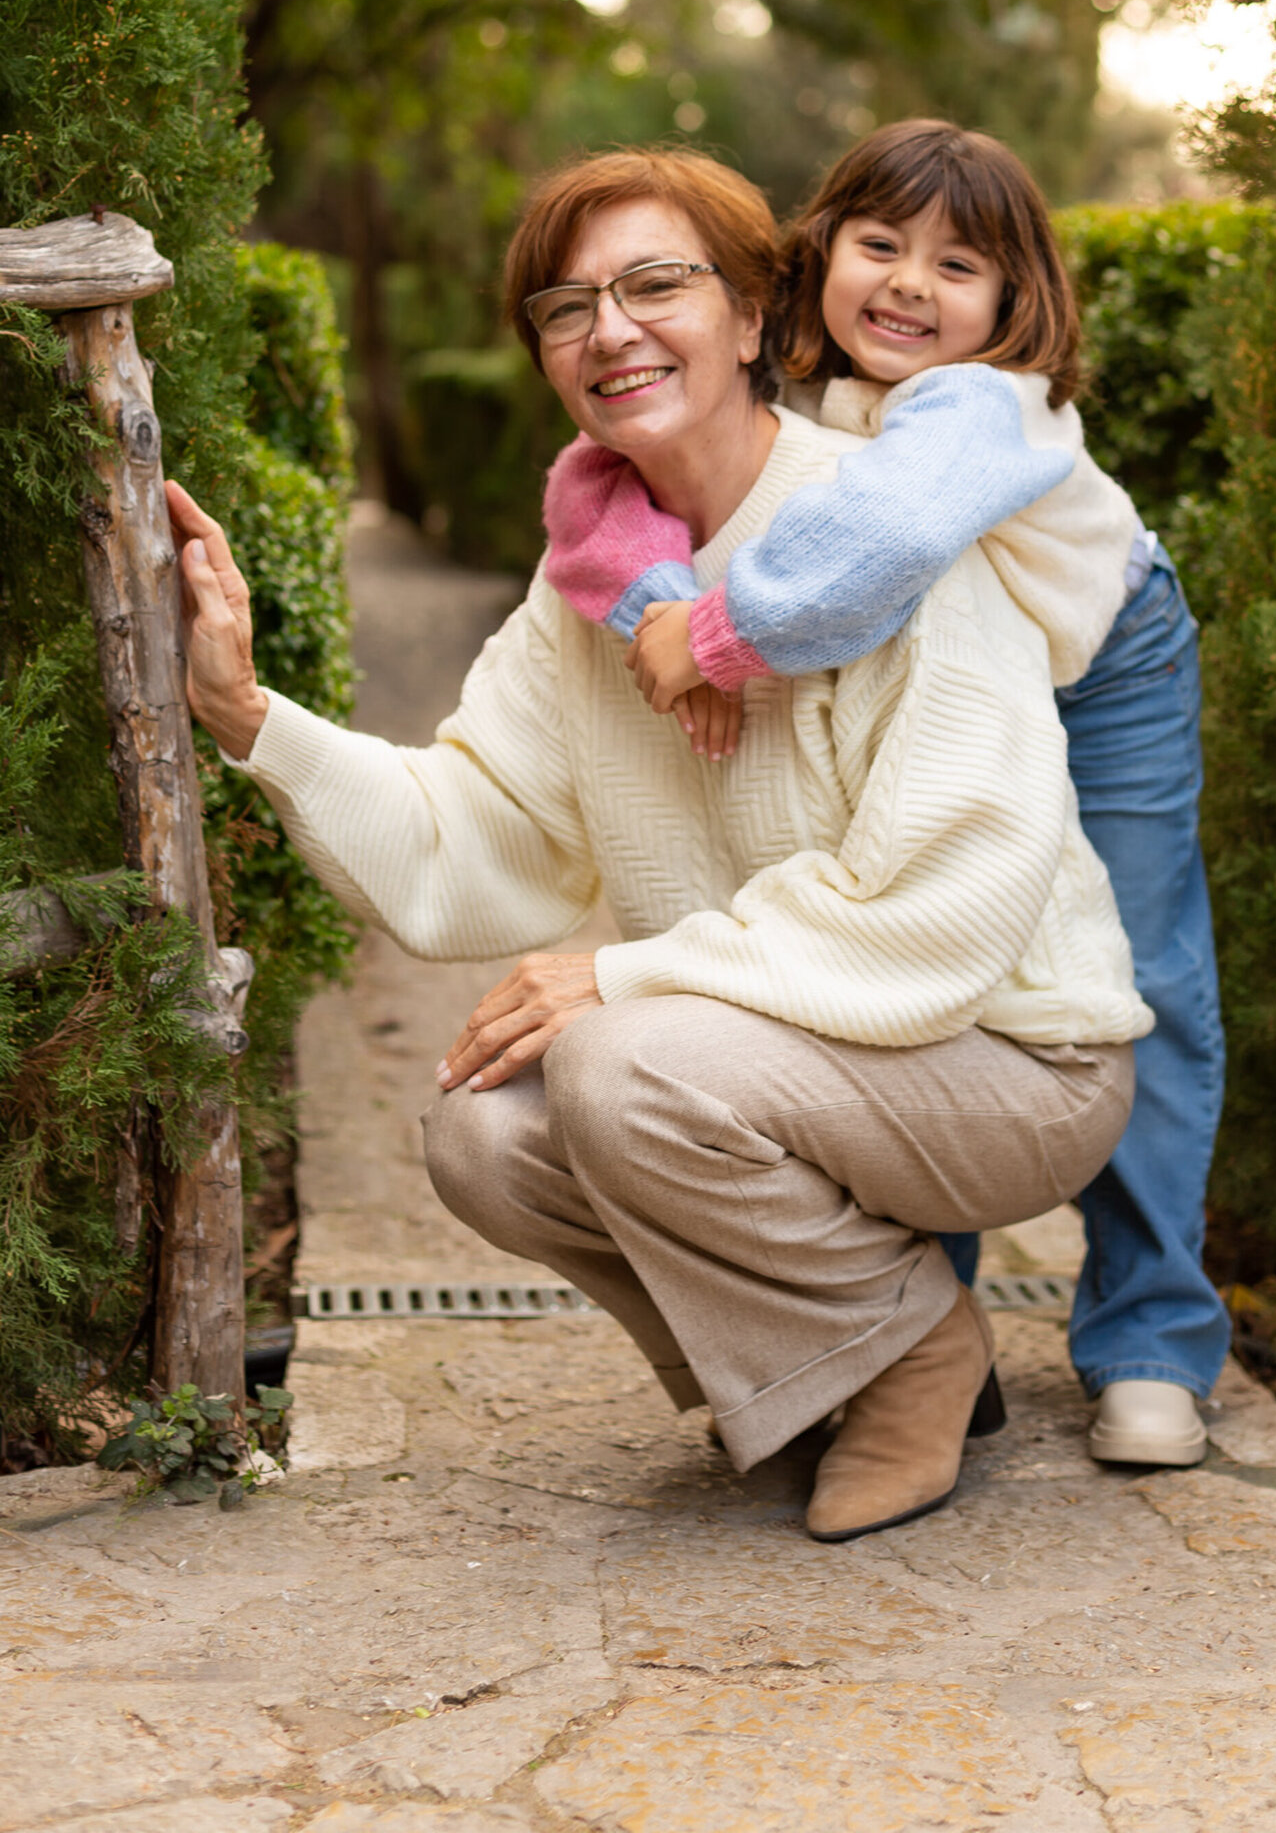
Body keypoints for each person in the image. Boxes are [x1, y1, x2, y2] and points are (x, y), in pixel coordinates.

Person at [167, 147, 1150, 1543]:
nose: (609, 329)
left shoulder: (879, 540)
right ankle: (847, 1360)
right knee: (481, 1130)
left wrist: (625, 979)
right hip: (785, 1059)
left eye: (654, 285)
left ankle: (918, 1359)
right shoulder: (602, 593)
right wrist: (243, 710)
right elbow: (464, 832)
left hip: (1010, 1055)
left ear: (755, 316)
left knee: (614, 1058)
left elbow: (944, 900)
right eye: (566, 309)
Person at [540, 122, 1231, 1470]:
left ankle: (1153, 1339)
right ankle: (922, 1328)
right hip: (959, 687)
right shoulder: (794, 397)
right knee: (913, 974)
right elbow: (590, 488)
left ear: (1015, 305)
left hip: (1105, 672)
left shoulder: (982, 403)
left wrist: (720, 639)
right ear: (815, 259)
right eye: (878, 246)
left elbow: (894, 533)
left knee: (1143, 981)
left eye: (958, 264)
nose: (910, 285)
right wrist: (658, 610)